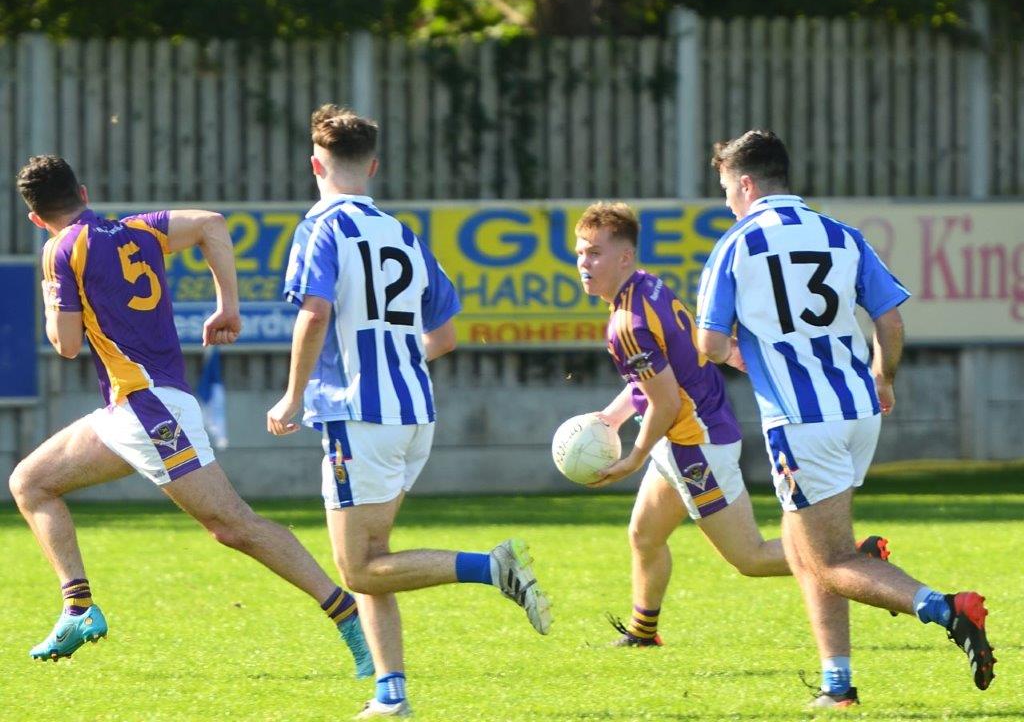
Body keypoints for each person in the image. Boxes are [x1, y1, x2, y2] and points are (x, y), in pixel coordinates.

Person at [10, 155, 373, 678]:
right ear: (85, 193)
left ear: (36, 218)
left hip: (149, 407)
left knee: (235, 526)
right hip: (128, 406)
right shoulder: (139, 229)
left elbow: (65, 345)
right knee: (30, 482)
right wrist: (228, 305)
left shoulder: (59, 249)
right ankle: (78, 608)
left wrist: (53, 302)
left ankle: (350, 616)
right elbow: (211, 224)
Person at [267, 104, 552, 719]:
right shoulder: (403, 234)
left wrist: (292, 396)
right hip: (413, 412)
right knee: (374, 559)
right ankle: (390, 694)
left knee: (360, 569)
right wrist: (397, 356)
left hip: (359, 415)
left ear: (315, 164)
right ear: (372, 166)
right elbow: (445, 335)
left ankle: (490, 567)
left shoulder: (321, 229)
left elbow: (314, 312)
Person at [695, 130, 996, 707]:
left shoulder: (736, 244)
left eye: (728, 189)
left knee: (830, 560)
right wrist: (883, 376)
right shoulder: (842, 236)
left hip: (802, 420)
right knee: (805, 549)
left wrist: (734, 349)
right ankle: (837, 685)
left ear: (748, 183)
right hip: (859, 409)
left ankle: (945, 607)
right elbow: (892, 321)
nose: (728, 201)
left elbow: (708, 343)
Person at [574, 202, 891, 648]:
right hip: (690, 433)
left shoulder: (628, 322)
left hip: (693, 444)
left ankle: (854, 559)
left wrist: (632, 459)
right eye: (580, 253)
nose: (583, 264)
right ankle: (643, 632)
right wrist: (611, 418)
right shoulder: (648, 289)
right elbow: (663, 380)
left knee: (752, 558)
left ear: (624, 257)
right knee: (644, 535)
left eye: (594, 253)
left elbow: (664, 404)